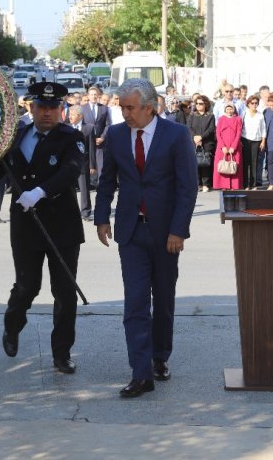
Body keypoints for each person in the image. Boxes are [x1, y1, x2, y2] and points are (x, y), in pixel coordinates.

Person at [94, 78, 198, 398]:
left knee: (163, 299)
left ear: (149, 108)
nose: (124, 114)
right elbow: (107, 179)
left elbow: (187, 186)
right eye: (121, 107)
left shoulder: (176, 135)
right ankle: (141, 373)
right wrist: (101, 218)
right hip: (131, 231)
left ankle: (159, 356)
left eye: (130, 108)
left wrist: (178, 229)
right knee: (136, 302)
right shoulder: (116, 135)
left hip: (166, 232)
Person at [0, 82, 85, 375]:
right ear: (31, 108)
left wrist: (40, 192)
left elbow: (71, 171)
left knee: (64, 291)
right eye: (41, 107)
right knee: (27, 286)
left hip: (61, 223)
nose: (47, 113)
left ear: (60, 109)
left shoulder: (71, 138)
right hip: (26, 224)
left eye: (52, 108)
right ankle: (13, 323)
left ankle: (62, 353)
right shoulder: (14, 135)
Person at [67, 105, 95, 221]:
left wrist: (92, 165)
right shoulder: (66, 128)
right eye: (69, 114)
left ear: (80, 116)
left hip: (83, 164)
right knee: (69, 189)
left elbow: (92, 148)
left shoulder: (89, 128)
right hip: (68, 165)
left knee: (84, 189)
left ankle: (85, 212)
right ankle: (71, 211)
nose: (70, 117)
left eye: (72, 115)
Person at [187, 95, 216, 192]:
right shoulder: (192, 115)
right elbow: (188, 127)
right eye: (197, 103)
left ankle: (205, 184)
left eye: (201, 103)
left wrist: (201, 137)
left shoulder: (210, 115)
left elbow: (211, 129)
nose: (198, 105)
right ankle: (197, 183)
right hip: (193, 142)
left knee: (205, 163)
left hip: (206, 142)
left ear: (205, 104)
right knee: (194, 163)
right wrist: (195, 137)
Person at [213, 102, 244, 190]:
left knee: (234, 164)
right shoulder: (221, 119)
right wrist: (222, 146)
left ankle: (234, 185)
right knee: (223, 164)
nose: (229, 111)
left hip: (234, 146)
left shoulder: (238, 119)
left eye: (231, 109)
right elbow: (218, 133)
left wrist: (233, 147)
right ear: (225, 110)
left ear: (234, 109)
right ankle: (223, 185)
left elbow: (238, 133)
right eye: (227, 109)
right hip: (222, 146)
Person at [83, 86, 110, 181]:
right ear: (88, 96)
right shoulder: (83, 108)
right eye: (91, 94)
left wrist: (102, 137)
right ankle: (90, 184)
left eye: (95, 94)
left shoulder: (104, 108)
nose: (93, 96)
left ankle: (101, 186)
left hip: (100, 142)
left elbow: (108, 125)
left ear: (98, 96)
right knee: (88, 166)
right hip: (87, 142)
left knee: (101, 166)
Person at [241, 95, 266, 190]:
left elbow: (264, 129)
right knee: (246, 162)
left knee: (254, 163)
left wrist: (263, 141)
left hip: (257, 140)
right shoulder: (244, 113)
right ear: (248, 104)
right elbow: (240, 127)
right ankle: (246, 184)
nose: (254, 105)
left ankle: (254, 184)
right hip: (245, 139)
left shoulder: (260, 115)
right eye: (252, 103)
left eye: (256, 103)